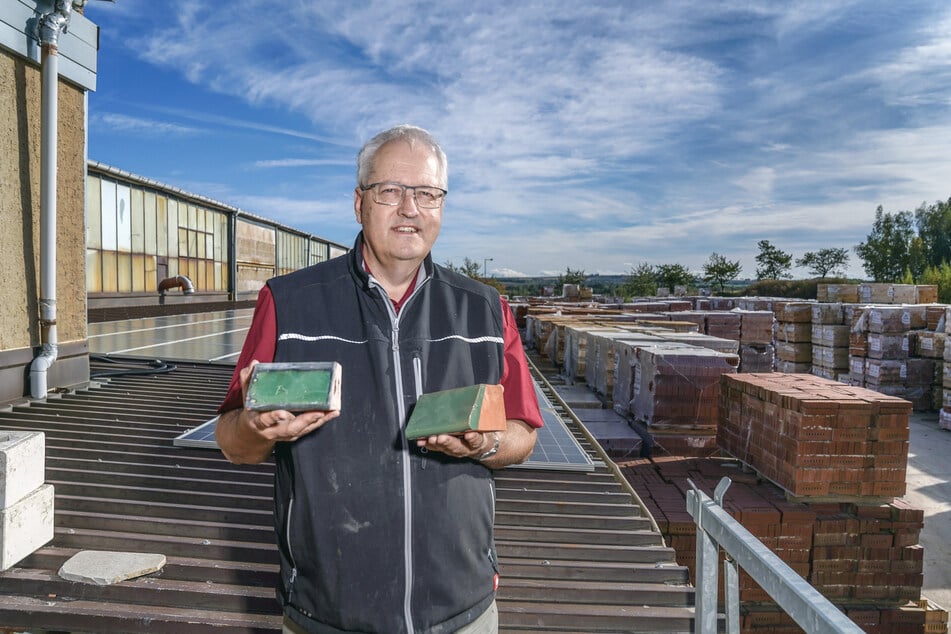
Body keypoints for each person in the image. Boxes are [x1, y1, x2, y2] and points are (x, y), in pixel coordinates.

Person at [215, 124, 544, 634]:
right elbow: (232, 443)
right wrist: (257, 431)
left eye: (427, 193)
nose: (410, 208)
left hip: (462, 611)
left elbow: (523, 435)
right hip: (328, 614)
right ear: (359, 202)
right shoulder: (289, 303)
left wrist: (484, 443)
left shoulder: (485, 311)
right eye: (391, 191)